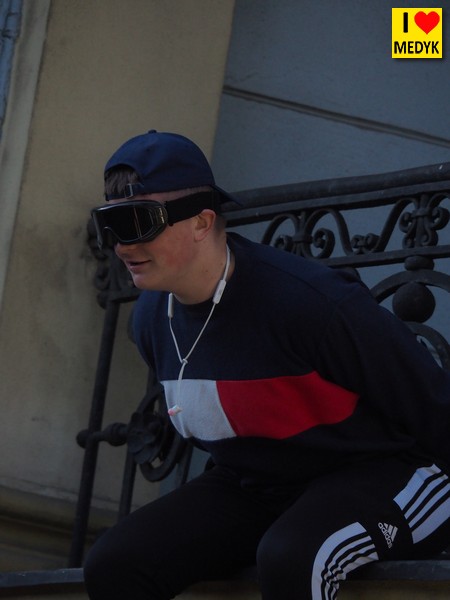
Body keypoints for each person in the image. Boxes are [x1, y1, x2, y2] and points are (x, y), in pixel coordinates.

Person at [84, 129, 450, 600]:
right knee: (115, 564)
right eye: (109, 225)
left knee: (292, 557)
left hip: (387, 472)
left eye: (136, 222)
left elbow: (431, 402)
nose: (121, 245)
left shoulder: (310, 302)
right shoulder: (152, 320)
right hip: (259, 486)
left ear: (202, 221)